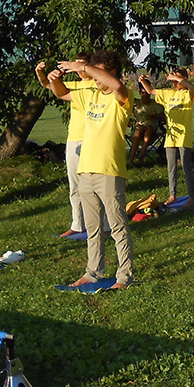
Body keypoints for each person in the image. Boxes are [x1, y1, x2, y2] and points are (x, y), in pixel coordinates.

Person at [48, 50, 135, 289]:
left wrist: (83, 68)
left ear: (113, 72)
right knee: (93, 228)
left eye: (99, 73)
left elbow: (117, 85)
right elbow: (61, 93)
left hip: (109, 170)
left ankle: (124, 276)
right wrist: (54, 79)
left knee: (117, 226)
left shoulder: (122, 97)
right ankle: (93, 272)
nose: (95, 78)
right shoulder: (90, 94)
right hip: (86, 169)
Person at [36, 54, 106, 238]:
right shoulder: (75, 85)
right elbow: (48, 85)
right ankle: (77, 224)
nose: (77, 68)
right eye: (75, 65)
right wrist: (42, 73)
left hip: (94, 139)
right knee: (75, 185)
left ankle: (105, 225)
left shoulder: (99, 83)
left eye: (80, 65)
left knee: (98, 185)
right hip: (75, 139)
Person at [139, 68, 194, 207]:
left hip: (184, 136)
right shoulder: (168, 93)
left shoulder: (187, 94)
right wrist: (142, 81)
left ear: (184, 79)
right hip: (171, 136)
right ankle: (172, 195)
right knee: (171, 167)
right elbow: (151, 91)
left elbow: (192, 88)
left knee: (186, 167)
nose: (175, 82)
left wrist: (177, 78)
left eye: (178, 79)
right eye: (173, 79)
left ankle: (191, 197)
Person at [128, 80, 166, 167]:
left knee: (149, 129)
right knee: (137, 133)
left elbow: (164, 118)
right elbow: (129, 118)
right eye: (143, 93)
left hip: (152, 129)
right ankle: (131, 160)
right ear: (140, 93)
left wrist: (155, 116)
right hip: (139, 127)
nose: (145, 95)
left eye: (147, 93)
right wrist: (131, 122)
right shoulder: (136, 104)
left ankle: (141, 157)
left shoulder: (155, 105)